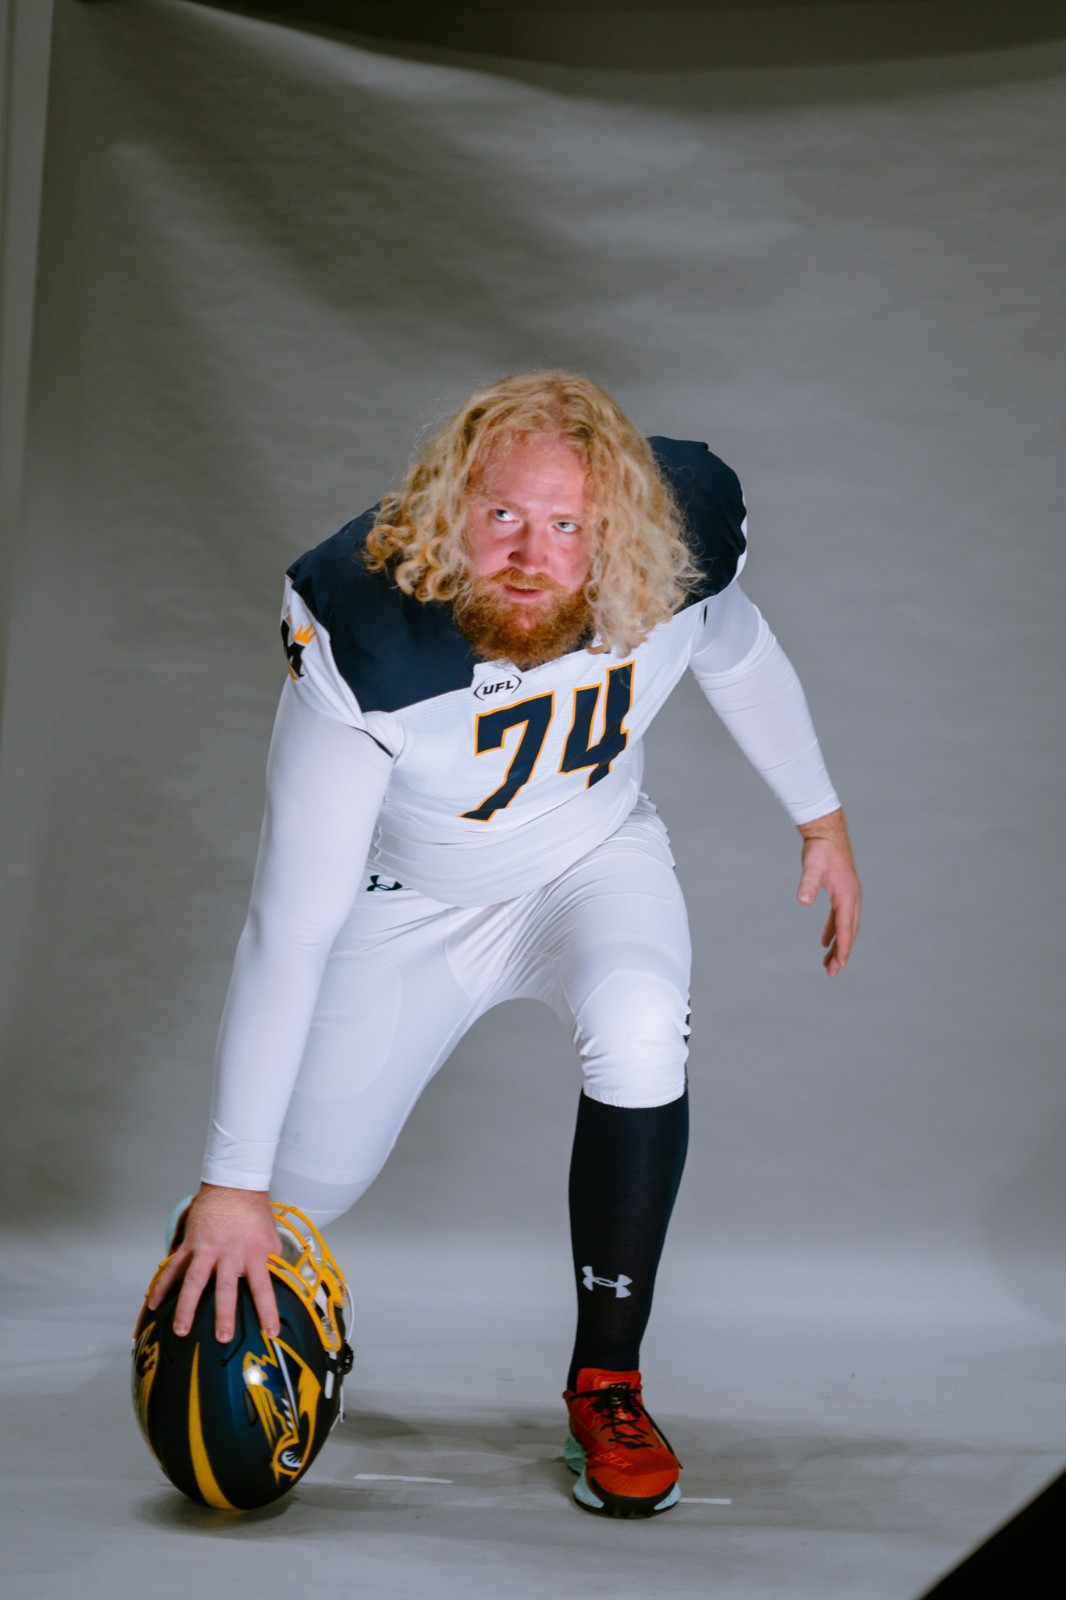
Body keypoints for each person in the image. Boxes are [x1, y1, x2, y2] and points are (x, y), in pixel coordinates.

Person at [148, 370, 860, 1518]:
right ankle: (234, 1287)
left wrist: (818, 818)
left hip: (591, 862)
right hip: (410, 901)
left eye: (569, 524)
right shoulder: (370, 628)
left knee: (640, 1025)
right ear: (447, 509)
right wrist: (230, 1184)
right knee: (286, 1193)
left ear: (616, 527)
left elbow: (736, 649)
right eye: (502, 515)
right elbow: (291, 924)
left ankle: (607, 1382)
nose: (533, 554)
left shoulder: (671, 551)